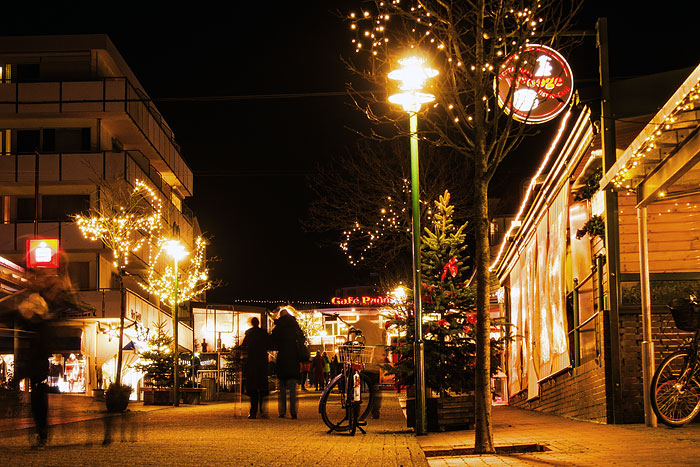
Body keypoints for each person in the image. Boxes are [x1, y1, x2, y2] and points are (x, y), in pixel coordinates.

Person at [270, 308, 305, 419]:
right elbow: (302, 339)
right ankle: (294, 412)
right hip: (293, 360)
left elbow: (273, 342)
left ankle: (282, 411)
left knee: (282, 388)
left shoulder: (279, 328)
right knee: (293, 389)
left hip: (282, 360)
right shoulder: (295, 327)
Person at [351, 316, 387, 419]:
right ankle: (375, 411)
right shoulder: (375, 329)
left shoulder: (355, 327)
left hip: (358, 363)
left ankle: (355, 411)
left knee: (355, 387)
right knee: (374, 389)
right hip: (372, 363)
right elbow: (380, 346)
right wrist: (380, 357)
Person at [240, 316, 270, 419]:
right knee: (262, 388)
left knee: (253, 389)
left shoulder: (249, 333)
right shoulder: (263, 333)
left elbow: (244, 346)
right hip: (262, 362)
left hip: (252, 363)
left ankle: (253, 412)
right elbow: (269, 345)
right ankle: (262, 411)